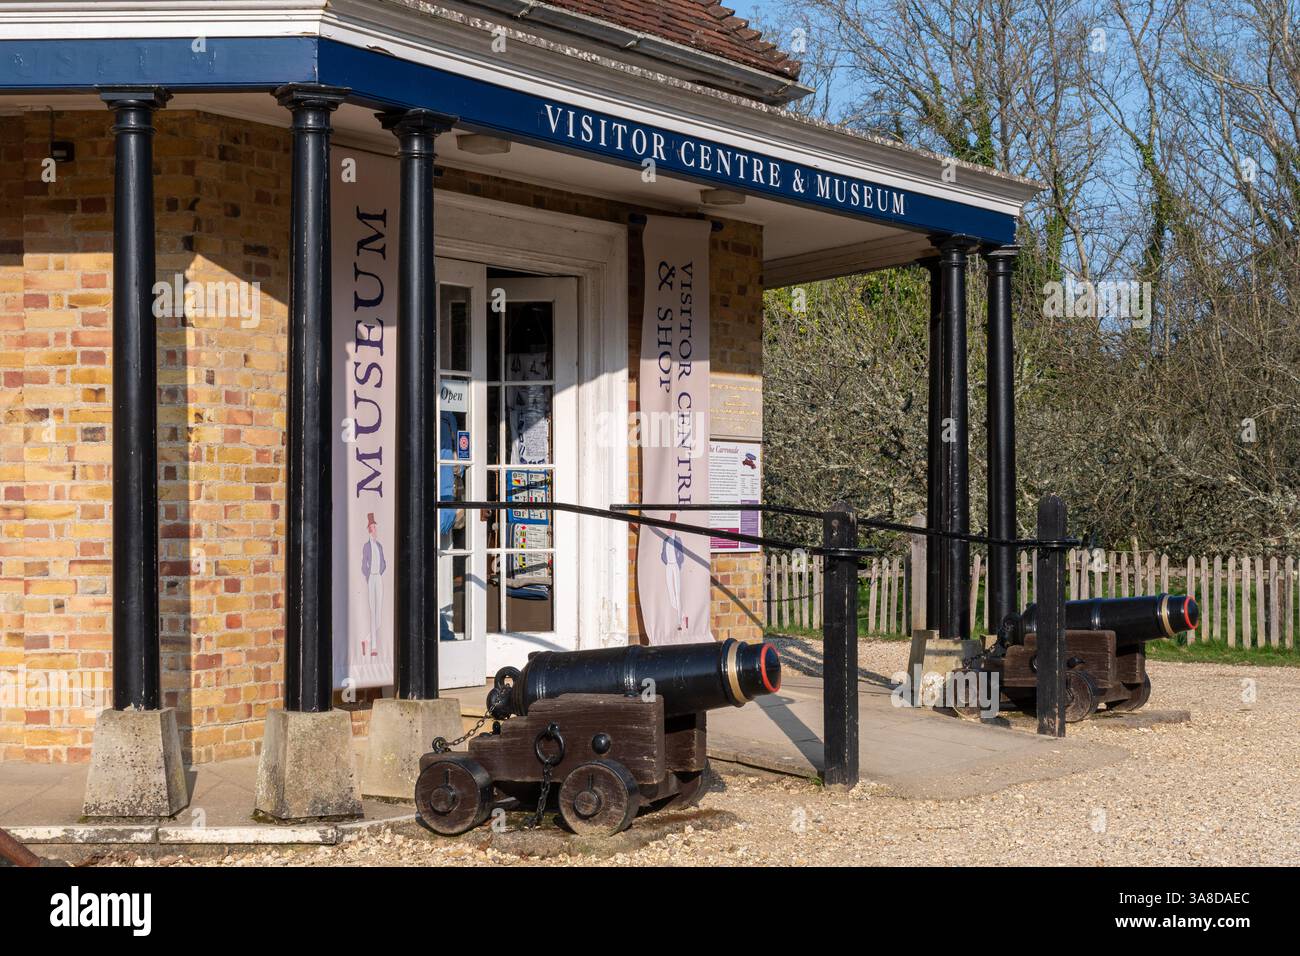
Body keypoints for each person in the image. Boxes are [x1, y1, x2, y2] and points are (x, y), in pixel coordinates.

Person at [361, 512, 386, 657]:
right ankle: (373, 647)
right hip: (372, 578)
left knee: (379, 616)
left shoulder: (379, 546)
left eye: (375, 527)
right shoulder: (366, 546)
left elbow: (383, 561)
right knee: (372, 611)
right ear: (369, 529)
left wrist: (381, 569)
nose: (375, 530)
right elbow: (364, 564)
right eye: (373, 527)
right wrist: (368, 576)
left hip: (379, 578)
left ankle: (366, 640)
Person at [661, 512, 686, 631]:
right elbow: (662, 554)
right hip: (668, 567)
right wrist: (666, 561)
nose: (669, 530)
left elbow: (681, 555)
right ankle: (679, 616)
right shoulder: (665, 540)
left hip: (675, 566)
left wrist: (678, 565)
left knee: (677, 592)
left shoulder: (678, 540)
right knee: (671, 593)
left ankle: (680, 622)